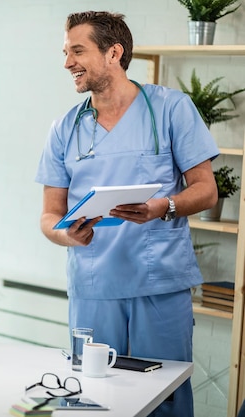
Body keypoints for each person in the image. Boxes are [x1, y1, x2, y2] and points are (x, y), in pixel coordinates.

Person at [34, 11, 219, 417]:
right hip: (94, 286)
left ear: (114, 52)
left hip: (159, 284)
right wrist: (67, 235)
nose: (68, 63)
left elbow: (207, 190)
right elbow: (50, 216)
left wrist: (162, 206)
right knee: (93, 399)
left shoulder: (170, 109)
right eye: (66, 52)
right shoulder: (65, 128)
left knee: (164, 398)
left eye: (77, 51)